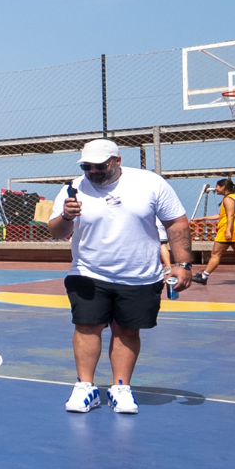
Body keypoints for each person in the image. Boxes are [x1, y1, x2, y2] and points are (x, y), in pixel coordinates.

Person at [46, 139, 193, 415]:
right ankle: (85, 387)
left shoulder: (150, 183)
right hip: (88, 271)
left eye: (99, 166)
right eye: (87, 167)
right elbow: (56, 232)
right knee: (86, 326)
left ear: (117, 161)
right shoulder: (73, 188)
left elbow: (176, 221)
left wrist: (183, 263)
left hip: (139, 274)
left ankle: (120, 387)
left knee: (127, 329)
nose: (93, 172)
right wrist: (65, 216)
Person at [194, 178, 235, 287]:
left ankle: (203, 277)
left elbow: (230, 216)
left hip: (228, 230)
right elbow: (222, 215)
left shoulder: (228, 199)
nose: (215, 189)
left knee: (215, 254)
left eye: (217, 186)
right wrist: (203, 218)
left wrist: (228, 231)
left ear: (223, 187)